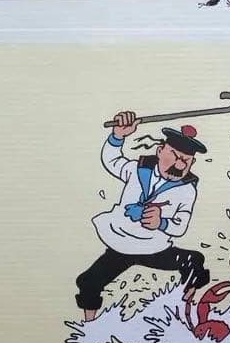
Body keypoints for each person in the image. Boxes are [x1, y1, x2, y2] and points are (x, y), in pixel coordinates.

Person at [76, 110, 210, 321]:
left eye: (186, 160)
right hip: (121, 243)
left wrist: (161, 223)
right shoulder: (136, 170)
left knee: (195, 261)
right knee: (88, 281)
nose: (180, 165)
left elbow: (180, 225)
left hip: (154, 248)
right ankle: (89, 324)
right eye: (175, 156)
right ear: (160, 151)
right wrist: (117, 136)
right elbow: (111, 160)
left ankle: (186, 309)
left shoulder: (187, 190)